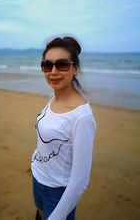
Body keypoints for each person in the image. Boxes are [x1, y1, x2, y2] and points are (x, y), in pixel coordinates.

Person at [31, 36, 96, 220]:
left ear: (75, 68)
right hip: (38, 177)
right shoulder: (53, 96)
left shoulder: (81, 117)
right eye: (47, 65)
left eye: (62, 65)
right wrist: (35, 160)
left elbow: (79, 182)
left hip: (58, 191)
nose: (53, 71)